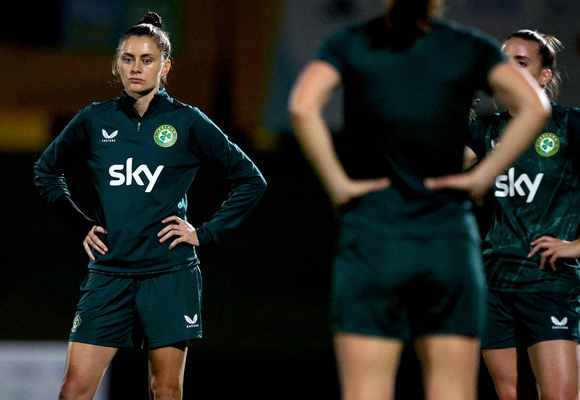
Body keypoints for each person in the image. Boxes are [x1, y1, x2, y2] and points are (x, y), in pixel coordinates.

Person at [287, 1, 550, 399]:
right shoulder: (469, 46)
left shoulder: (351, 42)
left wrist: (338, 184)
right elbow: (535, 105)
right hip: (447, 239)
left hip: (374, 236)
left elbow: (302, 106)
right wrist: (481, 176)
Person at [34, 11, 266, 400]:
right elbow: (46, 171)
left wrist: (204, 233)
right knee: (73, 391)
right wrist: (79, 224)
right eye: (128, 59)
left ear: (166, 66)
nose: (136, 68)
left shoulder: (187, 122)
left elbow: (250, 179)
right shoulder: (95, 120)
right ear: (117, 65)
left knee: (165, 390)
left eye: (147, 59)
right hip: (109, 274)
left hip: (169, 274)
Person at [467, 29, 580, 400]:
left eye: (521, 62)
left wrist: (576, 246)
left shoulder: (569, 126)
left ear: (544, 76)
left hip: (550, 284)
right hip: (495, 285)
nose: (508, 70)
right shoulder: (483, 132)